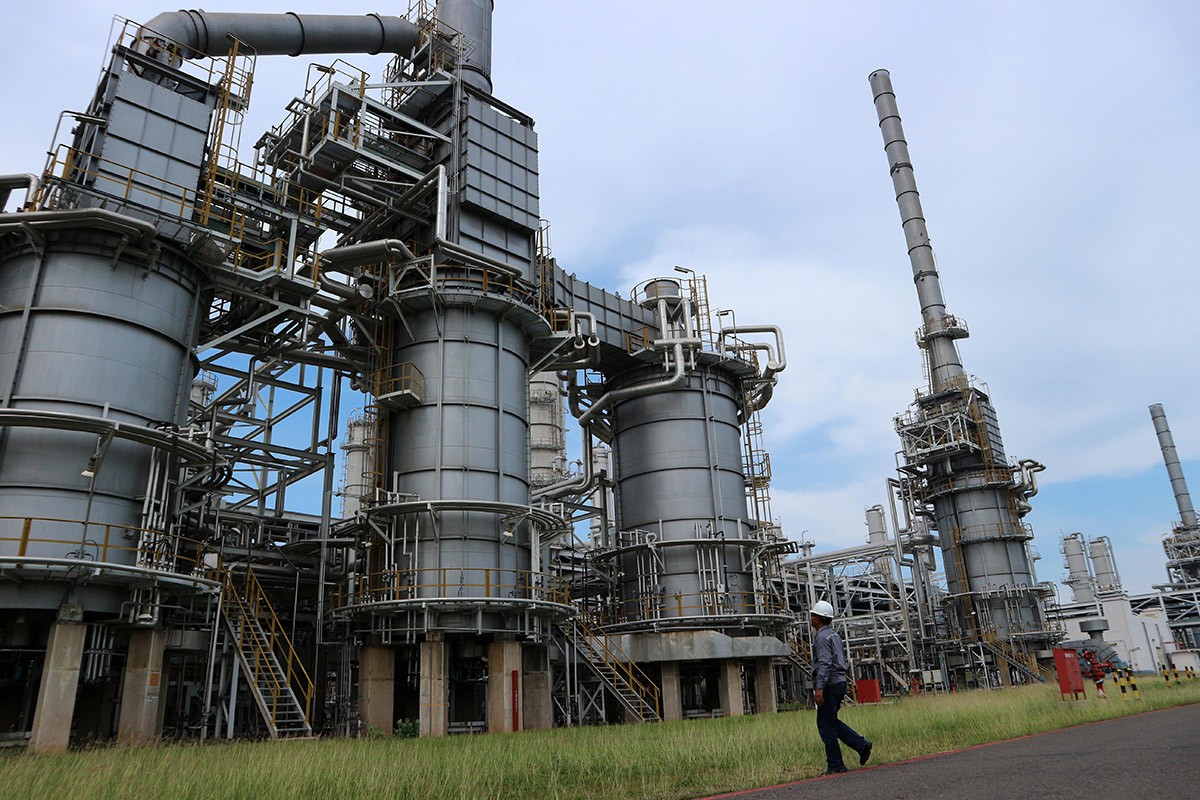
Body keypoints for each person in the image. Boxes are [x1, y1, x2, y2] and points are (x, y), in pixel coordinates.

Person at [810, 600, 873, 775]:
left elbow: (825, 663)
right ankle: (861, 745)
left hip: (829, 684)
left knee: (825, 725)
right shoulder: (834, 635)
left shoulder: (821, 638)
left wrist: (819, 687)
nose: (811, 617)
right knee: (830, 721)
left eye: (813, 615)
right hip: (839, 682)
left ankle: (836, 764)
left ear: (818, 619)